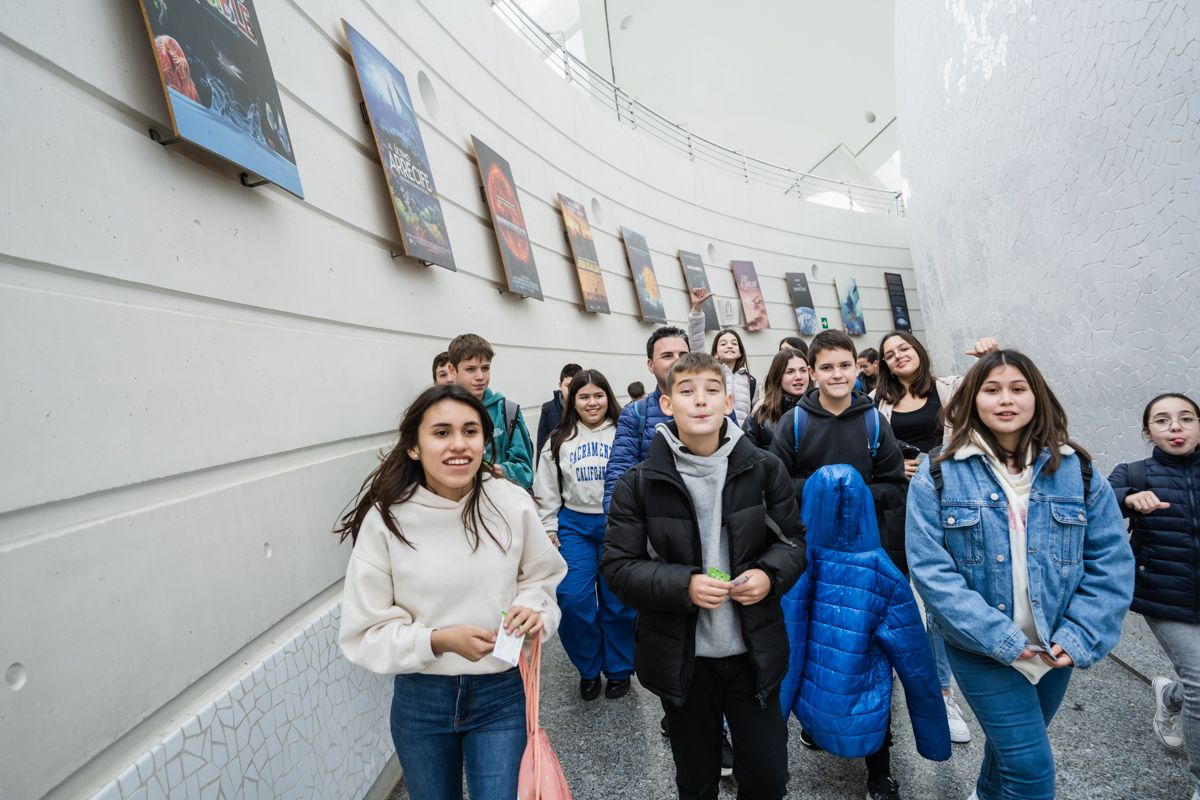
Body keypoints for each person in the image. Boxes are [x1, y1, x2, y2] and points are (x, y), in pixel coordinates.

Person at [906, 350, 1134, 800]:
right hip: (981, 647)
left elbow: (1110, 562)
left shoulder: (1080, 472)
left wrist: (1080, 635)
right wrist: (1003, 641)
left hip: (1053, 647)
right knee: (1032, 770)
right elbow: (933, 573)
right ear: (972, 400)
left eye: (1017, 389)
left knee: (1008, 752)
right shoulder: (937, 475)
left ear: (1038, 397)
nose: (1005, 400)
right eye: (992, 390)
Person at [336, 384, 568, 800]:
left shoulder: (510, 503)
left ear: (485, 440)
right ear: (413, 446)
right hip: (421, 697)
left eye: (470, 431)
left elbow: (541, 579)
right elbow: (362, 631)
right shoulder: (387, 520)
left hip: (502, 691)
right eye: (441, 433)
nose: (458, 445)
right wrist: (438, 640)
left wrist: (533, 610)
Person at [602, 353, 807, 800]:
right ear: (667, 404)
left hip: (753, 652)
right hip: (683, 657)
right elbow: (618, 568)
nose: (700, 401)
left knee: (768, 777)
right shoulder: (638, 483)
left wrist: (769, 577)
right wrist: (684, 585)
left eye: (712, 390)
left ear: (729, 401)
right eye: (687, 391)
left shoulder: (764, 469)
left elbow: (792, 543)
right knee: (696, 780)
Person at [767, 329, 910, 799]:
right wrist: (820, 492)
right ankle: (812, 721)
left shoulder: (873, 423)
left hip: (860, 558)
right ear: (811, 372)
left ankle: (879, 768)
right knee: (809, 645)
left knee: (867, 654)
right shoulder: (794, 424)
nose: (836, 374)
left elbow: (893, 484)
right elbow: (772, 482)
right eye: (826, 367)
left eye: (844, 365)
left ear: (858, 367)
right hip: (806, 554)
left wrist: (851, 494)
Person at [872, 330, 999, 744]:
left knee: (945, 598)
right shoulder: (880, 402)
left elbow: (993, 395)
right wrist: (896, 469)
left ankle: (944, 693)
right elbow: (875, 454)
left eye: (904, 349)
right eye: (890, 354)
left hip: (955, 499)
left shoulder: (949, 387)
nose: (898, 357)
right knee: (915, 595)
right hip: (906, 506)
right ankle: (920, 687)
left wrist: (992, 357)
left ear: (918, 351)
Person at [780, 465, 950, 768]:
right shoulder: (882, 571)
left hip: (804, 689)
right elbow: (916, 664)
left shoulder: (794, 561)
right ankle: (879, 775)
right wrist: (933, 739)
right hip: (860, 692)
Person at [1108, 392, 1200, 798]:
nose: (1175, 427)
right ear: (1148, 432)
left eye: (1185, 418)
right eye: (1162, 421)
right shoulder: (1134, 473)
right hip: (1165, 595)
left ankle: (1168, 694)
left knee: (1196, 683)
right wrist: (1127, 499)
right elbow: (1094, 504)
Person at [533, 369, 636, 701]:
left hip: (617, 525)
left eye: (598, 395)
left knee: (618, 601)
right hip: (574, 525)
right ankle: (589, 668)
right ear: (571, 400)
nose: (592, 402)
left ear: (608, 396)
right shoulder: (558, 439)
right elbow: (546, 489)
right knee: (573, 598)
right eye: (584, 396)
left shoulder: (625, 432)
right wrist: (548, 527)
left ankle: (619, 669)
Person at [603, 325, 691, 513]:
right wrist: (618, 532)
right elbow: (619, 475)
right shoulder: (635, 414)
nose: (678, 361)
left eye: (683, 355)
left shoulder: (714, 407)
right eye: (667, 356)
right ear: (651, 365)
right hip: (656, 520)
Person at [448, 333, 535, 490]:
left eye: (485, 368)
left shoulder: (507, 411)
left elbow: (525, 470)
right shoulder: (440, 411)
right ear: (453, 371)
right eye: (471, 369)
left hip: (499, 501)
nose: (480, 376)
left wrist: (498, 470)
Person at [688, 289, 757, 427]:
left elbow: (755, 414)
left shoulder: (751, 381)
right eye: (723, 344)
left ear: (740, 352)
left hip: (742, 439)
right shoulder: (709, 372)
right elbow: (696, 341)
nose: (729, 346)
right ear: (715, 353)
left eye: (734, 343)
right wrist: (696, 309)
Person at [743, 348, 808, 449]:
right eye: (790, 371)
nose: (798, 376)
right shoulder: (760, 416)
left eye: (803, 370)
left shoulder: (822, 409)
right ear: (777, 376)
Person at [536, 363, 582, 465]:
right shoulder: (548, 409)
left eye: (576, 386)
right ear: (560, 385)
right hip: (556, 468)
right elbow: (541, 447)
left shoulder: (587, 408)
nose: (571, 391)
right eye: (567, 386)